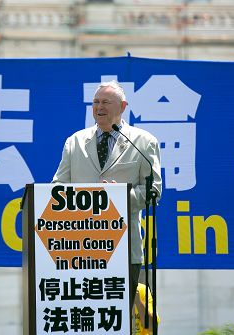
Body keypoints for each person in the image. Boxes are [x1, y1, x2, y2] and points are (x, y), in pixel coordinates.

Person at [52, 80, 162, 308]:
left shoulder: (143, 142)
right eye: (95, 102)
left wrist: (119, 197)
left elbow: (153, 192)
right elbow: (58, 188)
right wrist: (84, 199)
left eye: (105, 102)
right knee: (83, 316)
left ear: (122, 107)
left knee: (116, 317)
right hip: (79, 248)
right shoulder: (75, 142)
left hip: (123, 246)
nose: (99, 107)